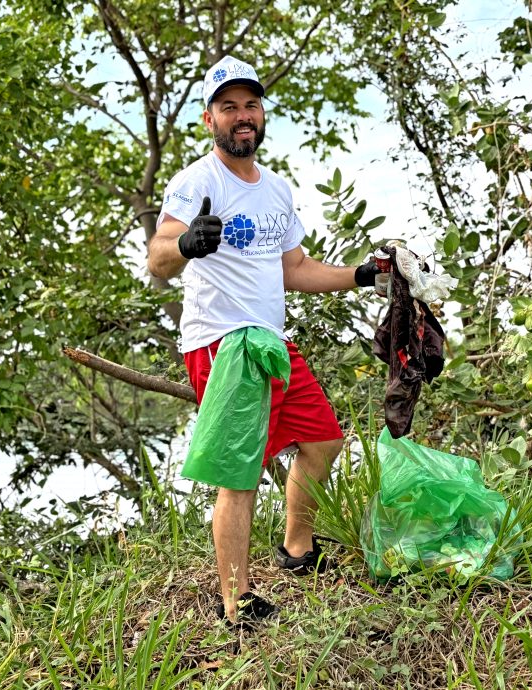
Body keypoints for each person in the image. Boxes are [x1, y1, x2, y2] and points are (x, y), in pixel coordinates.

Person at [147, 55, 380, 627]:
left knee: (323, 440)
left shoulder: (275, 189)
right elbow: (158, 258)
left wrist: (361, 275)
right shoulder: (198, 181)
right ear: (210, 120)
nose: (242, 116)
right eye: (229, 108)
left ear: (261, 115)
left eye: (250, 105)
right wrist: (186, 246)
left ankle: (297, 549)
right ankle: (236, 600)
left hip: (271, 339)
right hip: (223, 343)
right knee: (240, 473)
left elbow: (294, 268)